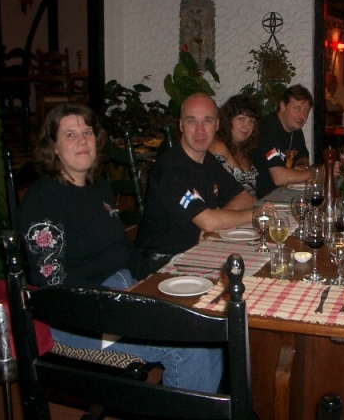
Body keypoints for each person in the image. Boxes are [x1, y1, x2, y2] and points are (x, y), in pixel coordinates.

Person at [18, 103, 222, 393]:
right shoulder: (43, 199)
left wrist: (162, 276)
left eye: (87, 132)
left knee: (206, 327)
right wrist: (113, 299)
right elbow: (52, 282)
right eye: (70, 135)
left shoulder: (98, 187)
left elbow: (124, 250)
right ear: (53, 146)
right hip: (76, 316)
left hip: (120, 294)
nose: (82, 141)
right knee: (189, 346)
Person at [135, 93, 255, 262]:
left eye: (207, 121)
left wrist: (217, 219)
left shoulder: (208, 160)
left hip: (198, 252)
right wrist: (256, 215)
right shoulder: (169, 169)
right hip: (162, 263)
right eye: (192, 121)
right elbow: (209, 222)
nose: (200, 130)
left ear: (217, 124)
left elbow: (244, 198)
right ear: (181, 125)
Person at [253, 84, 313, 199]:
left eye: (306, 111)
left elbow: (303, 157)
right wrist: (316, 174)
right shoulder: (266, 129)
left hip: (284, 193)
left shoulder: (296, 130)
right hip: (263, 199)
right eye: (297, 109)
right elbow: (279, 177)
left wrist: (301, 166)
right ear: (283, 106)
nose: (302, 116)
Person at [208, 94, 260, 199]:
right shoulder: (218, 147)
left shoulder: (243, 149)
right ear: (228, 119)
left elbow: (251, 194)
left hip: (248, 207)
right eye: (241, 119)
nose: (247, 126)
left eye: (251, 121)